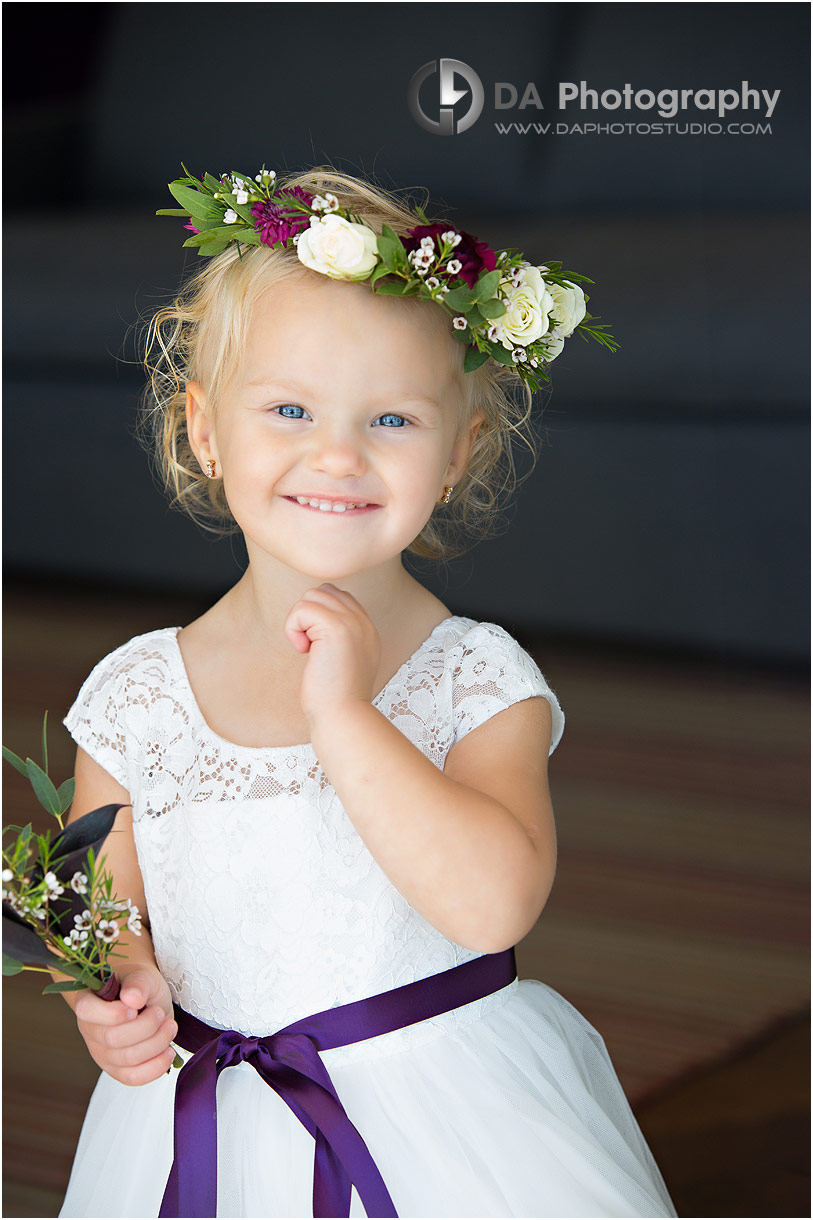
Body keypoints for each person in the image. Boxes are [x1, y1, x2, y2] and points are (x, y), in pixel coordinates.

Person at [57, 165, 677, 1218]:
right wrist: (110, 988)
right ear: (207, 430)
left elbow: (494, 901)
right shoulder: (135, 695)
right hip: (199, 1126)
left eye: (391, 418)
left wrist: (344, 717)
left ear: (459, 450)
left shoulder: (475, 677)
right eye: (289, 407)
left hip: (446, 1123)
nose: (335, 453)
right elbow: (95, 906)